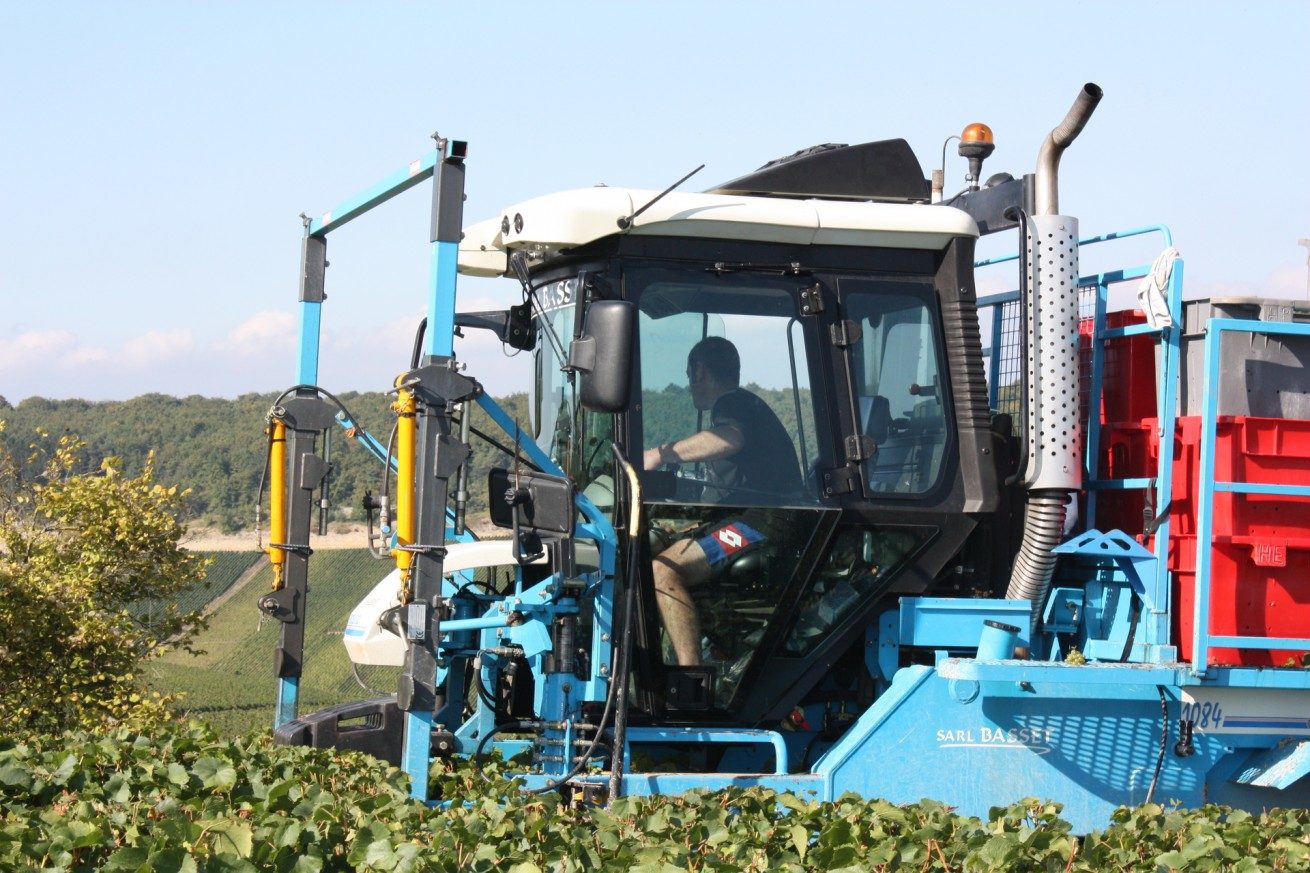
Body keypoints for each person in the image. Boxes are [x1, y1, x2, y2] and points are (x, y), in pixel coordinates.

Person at [642, 336, 802, 666]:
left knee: (663, 572)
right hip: (754, 517)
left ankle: (689, 680)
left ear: (700, 371)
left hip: (762, 523)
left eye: (689, 375)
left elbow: (730, 439)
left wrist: (660, 455)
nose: (689, 385)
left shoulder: (732, 405)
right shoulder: (747, 404)